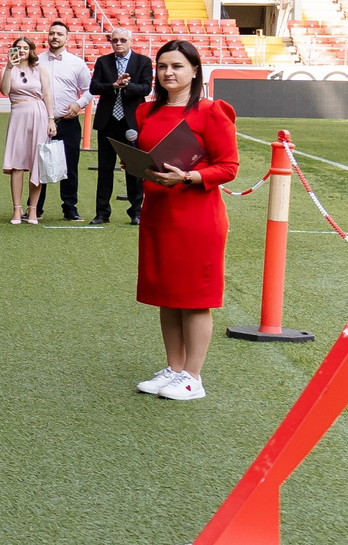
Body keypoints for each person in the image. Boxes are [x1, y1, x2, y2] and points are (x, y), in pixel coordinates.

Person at [132, 40, 240, 403]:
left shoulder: (211, 112)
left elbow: (229, 167)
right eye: (162, 66)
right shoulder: (146, 112)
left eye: (177, 66)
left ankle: (193, 377)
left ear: (195, 70)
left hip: (197, 216)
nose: (168, 73)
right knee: (167, 294)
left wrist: (189, 177)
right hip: (158, 213)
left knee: (194, 298)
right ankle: (174, 369)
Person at [87, 28, 153, 227]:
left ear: (131, 41)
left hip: (131, 123)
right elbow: (94, 87)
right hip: (107, 123)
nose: (118, 43)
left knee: (134, 169)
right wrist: (113, 86)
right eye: (114, 40)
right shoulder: (103, 61)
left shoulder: (143, 62)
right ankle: (102, 213)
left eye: (123, 40)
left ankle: (136, 212)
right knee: (105, 169)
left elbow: (146, 88)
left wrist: (127, 86)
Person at [34, 21, 92, 222]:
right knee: (38, 164)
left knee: (70, 166)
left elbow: (89, 90)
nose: (55, 37)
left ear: (67, 37)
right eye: (52, 33)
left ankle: (70, 207)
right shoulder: (36, 60)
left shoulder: (77, 63)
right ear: (47, 36)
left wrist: (79, 104)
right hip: (41, 121)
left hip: (68, 122)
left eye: (59, 34)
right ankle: (35, 208)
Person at [0, 34, 50, 225]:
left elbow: (47, 95)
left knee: (37, 162)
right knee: (17, 163)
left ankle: (33, 210)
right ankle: (16, 209)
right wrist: (8, 67)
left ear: (31, 51)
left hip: (39, 113)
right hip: (18, 115)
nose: (21, 50)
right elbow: (5, 91)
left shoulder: (39, 69)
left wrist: (51, 119)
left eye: (25, 48)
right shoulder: (8, 69)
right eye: (18, 47)